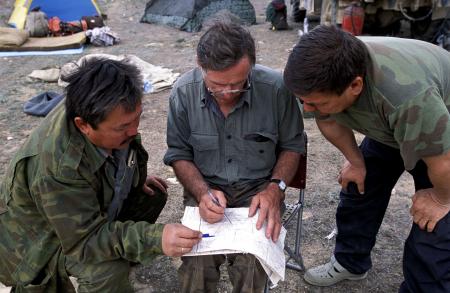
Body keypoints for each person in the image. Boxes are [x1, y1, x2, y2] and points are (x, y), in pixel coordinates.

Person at [0, 58, 202, 292]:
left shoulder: (99, 107)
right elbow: (85, 241)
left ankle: (123, 256)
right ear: (83, 125)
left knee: (151, 194)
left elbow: (117, 154)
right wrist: (155, 238)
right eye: (122, 127)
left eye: (137, 117)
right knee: (106, 271)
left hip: (73, 217)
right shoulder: (58, 168)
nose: (134, 130)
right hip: (39, 248)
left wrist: (130, 178)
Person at [283, 25, 450, 292]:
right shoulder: (327, 70)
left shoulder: (408, 99)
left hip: (442, 138)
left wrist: (441, 198)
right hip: (396, 125)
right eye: (305, 101)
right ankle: (351, 262)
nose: (308, 110)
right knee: (358, 185)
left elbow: (444, 161)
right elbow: (329, 121)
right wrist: (356, 161)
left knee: (434, 228)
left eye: (317, 103)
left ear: (355, 86)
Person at [163, 22, 305, 293]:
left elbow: (292, 146)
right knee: (196, 265)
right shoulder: (183, 92)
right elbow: (179, 154)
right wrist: (202, 193)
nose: (227, 93)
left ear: (250, 66)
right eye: (217, 85)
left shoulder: (275, 89)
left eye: (237, 84)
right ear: (200, 65)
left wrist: (276, 189)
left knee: (253, 265)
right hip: (205, 190)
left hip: (259, 192)